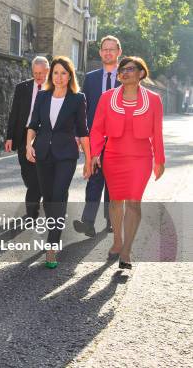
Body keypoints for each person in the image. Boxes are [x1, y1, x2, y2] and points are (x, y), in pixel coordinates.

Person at [89, 56, 165, 269]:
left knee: (133, 202)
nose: (125, 71)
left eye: (130, 68)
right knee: (115, 201)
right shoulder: (106, 98)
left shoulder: (154, 100)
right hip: (113, 156)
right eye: (122, 68)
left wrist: (159, 160)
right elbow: (96, 128)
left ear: (141, 73)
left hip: (141, 159)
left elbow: (157, 133)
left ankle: (126, 250)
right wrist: (95, 153)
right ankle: (117, 242)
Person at [26, 56, 92, 269]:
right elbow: (33, 123)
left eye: (64, 73)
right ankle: (54, 230)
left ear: (70, 75)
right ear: (50, 74)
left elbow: (83, 131)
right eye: (56, 72)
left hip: (66, 155)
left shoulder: (77, 98)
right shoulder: (43, 96)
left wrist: (89, 160)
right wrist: (29, 145)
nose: (59, 77)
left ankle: (52, 244)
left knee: (58, 195)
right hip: (43, 152)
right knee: (48, 198)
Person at [74, 35, 122, 237]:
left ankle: (111, 220)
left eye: (112, 49)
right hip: (96, 138)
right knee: (94, 179)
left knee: (113, 182)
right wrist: (79, 134)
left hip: (119, 139)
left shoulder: (127, 77)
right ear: (100, 52)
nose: (108, 52)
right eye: (105, 49)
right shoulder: (91, 78)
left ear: (119, 52)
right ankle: (88, 223)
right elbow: (82, 109)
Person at [5, 56, 50, 221]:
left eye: (41, 73)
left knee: (38, 173)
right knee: (27, 172)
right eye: (35, 73)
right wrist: (9, 136)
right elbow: (14, 113)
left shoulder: (54, 88)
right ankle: (38, 191)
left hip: (44, 135)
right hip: (24, 134)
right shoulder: (22, 88)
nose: (38, 76)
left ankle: (31, 212)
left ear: (48, 71)